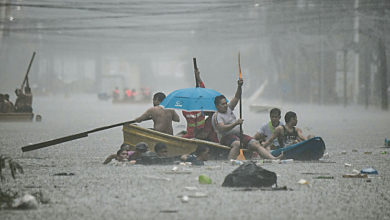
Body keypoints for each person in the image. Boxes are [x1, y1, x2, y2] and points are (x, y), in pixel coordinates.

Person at [211, 79, 281, 160]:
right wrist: (235, 124)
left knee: (255, 143)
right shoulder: (217, 116)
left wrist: (239, 86)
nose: (226, 105)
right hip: (226, 137)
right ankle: (230, 162)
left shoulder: (229, 108)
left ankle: (273, 159)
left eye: (226, 103)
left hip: (238, 135)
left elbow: (237, 97)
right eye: (223, 104)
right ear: (217, 106)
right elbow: (222, 128)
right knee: (237, 144)